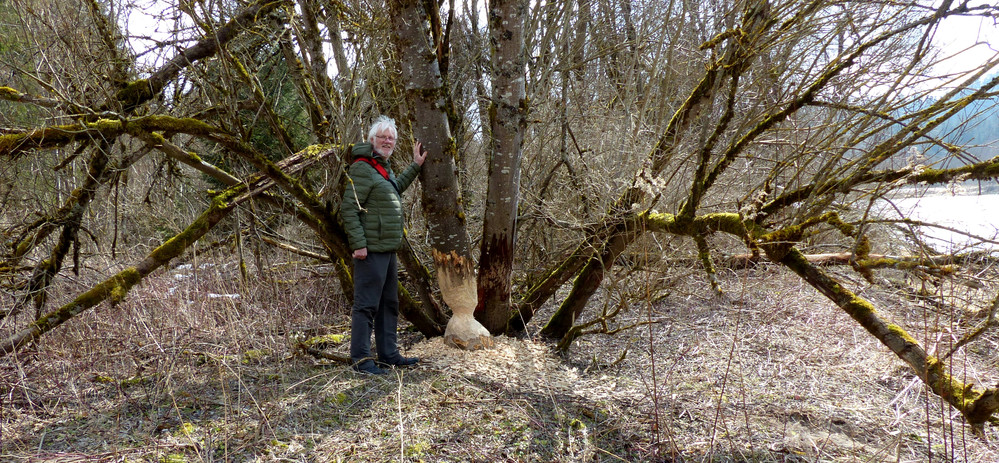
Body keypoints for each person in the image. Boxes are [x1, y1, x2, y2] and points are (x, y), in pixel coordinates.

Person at [341, 116, 427, 375]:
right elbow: (349, 208)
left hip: (388, 248)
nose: (388, 141)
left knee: (389, 303)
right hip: (370, 249)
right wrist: (358, 244)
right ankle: (361, 360)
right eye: (383, 137)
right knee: (366, 305)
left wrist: (415, 165)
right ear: (372, 140)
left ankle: (388, 354)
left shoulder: (382, 167)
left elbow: (394, 189)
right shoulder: (361, 167)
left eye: (391, 138)